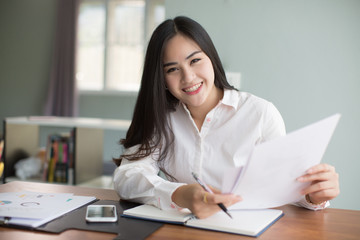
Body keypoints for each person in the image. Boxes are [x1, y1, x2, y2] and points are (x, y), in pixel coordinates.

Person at [113, 16, 340, 219]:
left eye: (195, 61)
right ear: (160, 78)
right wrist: (179, 194)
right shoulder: (161, 117)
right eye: (172, 69)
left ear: (211, 57)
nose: (188, 77)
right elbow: (127, 176)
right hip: (180, 231)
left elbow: (284, 186)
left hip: (246, 230)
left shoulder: (260, 114)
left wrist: (314, 195)